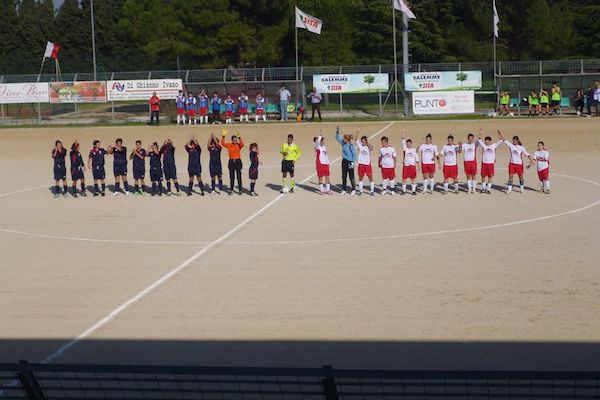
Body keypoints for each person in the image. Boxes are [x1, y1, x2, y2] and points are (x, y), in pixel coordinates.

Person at [221, 128, 244, 195]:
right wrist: (223, 136)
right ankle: (231, 190)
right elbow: (222, 143)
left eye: (236, 140)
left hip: (238, 161)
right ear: (232, 140)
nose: (235, 141)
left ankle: (240, 190)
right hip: (231, 161)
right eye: (234, 140)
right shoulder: (229, 145)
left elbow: (242, 144)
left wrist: (239, 137)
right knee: (232, 177)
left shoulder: (238, 145)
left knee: (239, 176)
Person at [335, 126, 357, 195]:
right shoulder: (343, 143)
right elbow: (337, 138)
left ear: (346, 139)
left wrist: (353, 162)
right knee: (344, 176)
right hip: (344, 161)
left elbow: (354, 154)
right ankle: (344, 189)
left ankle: (353, 189)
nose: (342, 139)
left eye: (344, 138)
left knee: (351, 176)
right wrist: (337, 131)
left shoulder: (351, 146)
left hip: (350, 162)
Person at [400, 131, 419, 195]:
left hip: (412, 167)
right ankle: (404, 191)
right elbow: (403, 141)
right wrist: (403, 133)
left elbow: (417, 158)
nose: (408, 145)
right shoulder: (405, 149)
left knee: (413, 179)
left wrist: (418, 166)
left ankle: (413, 191)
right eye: (407, 144)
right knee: (404, 179)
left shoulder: (414, 150)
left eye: (409, 144)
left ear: (411, 144)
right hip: (406, 166)